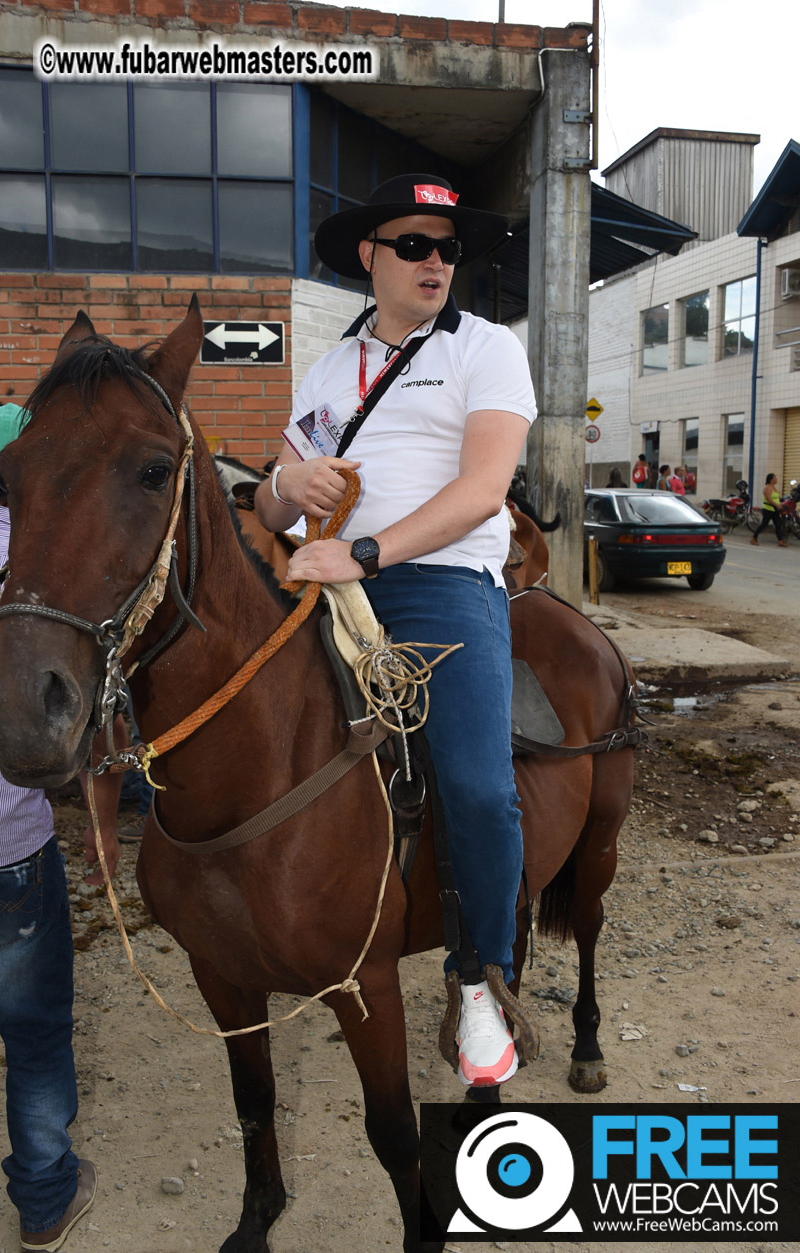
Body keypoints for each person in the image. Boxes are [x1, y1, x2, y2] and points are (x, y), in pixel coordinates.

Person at [255, 173, 536, 1089]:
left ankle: (481, 975)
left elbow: (483, 490)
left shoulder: (487, 348)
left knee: (478, 785)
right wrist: (285, 486)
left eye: (447, 248)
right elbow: (272, 500)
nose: (435, 262)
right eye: (414, 245)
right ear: (369, 255)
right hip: (326, 575)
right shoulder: (329, 368)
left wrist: (366, 552)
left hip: (440, 582)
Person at [0, 404, 123, 1250]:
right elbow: (96, 731)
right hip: (7, 856)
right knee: (32, 1037)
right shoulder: (58, 590)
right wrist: (102, 828)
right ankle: (43, 1201)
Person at [750, 473, 787, 547]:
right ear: (771, 479)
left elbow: (777, 498)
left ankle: (780, 540)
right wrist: (776, 505)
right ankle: (754, 538)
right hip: (768, 509)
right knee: (764, 524)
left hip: (775, 510)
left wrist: (780, 504)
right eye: (775, 478)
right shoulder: (767, 488)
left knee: (778, 525)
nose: (776, 479)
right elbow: (769, 499)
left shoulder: (774, 488)